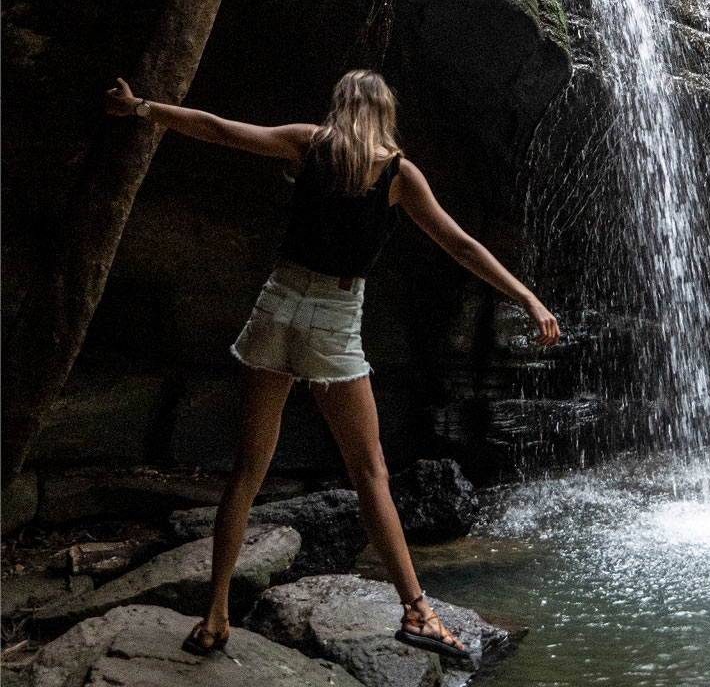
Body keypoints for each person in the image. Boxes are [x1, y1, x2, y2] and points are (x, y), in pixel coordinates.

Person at [104, 71, 560, 659]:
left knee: (248, 470)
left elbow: (219, 130)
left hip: (275, 306)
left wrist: (143, 108)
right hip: (333, 321)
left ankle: (214, 613)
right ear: (385, 113)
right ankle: (418, 612)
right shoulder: (397, 174)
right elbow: (460, 245)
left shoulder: (308, 142)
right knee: (370, 472)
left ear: (341, 106)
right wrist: (527, 296)